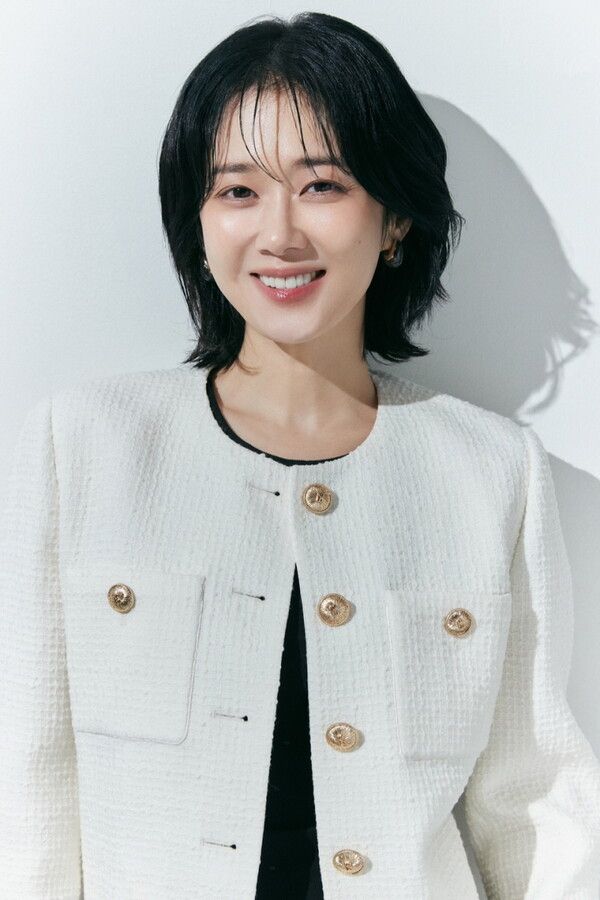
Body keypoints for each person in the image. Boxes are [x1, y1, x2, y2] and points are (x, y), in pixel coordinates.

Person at [2, 11, 600, 899]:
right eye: (237, 191)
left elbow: (535, 802)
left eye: (322, 185)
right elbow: (27, 788)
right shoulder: (85, 445)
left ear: (394, 219)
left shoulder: (490, 470)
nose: (280, 234)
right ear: (198, 223)